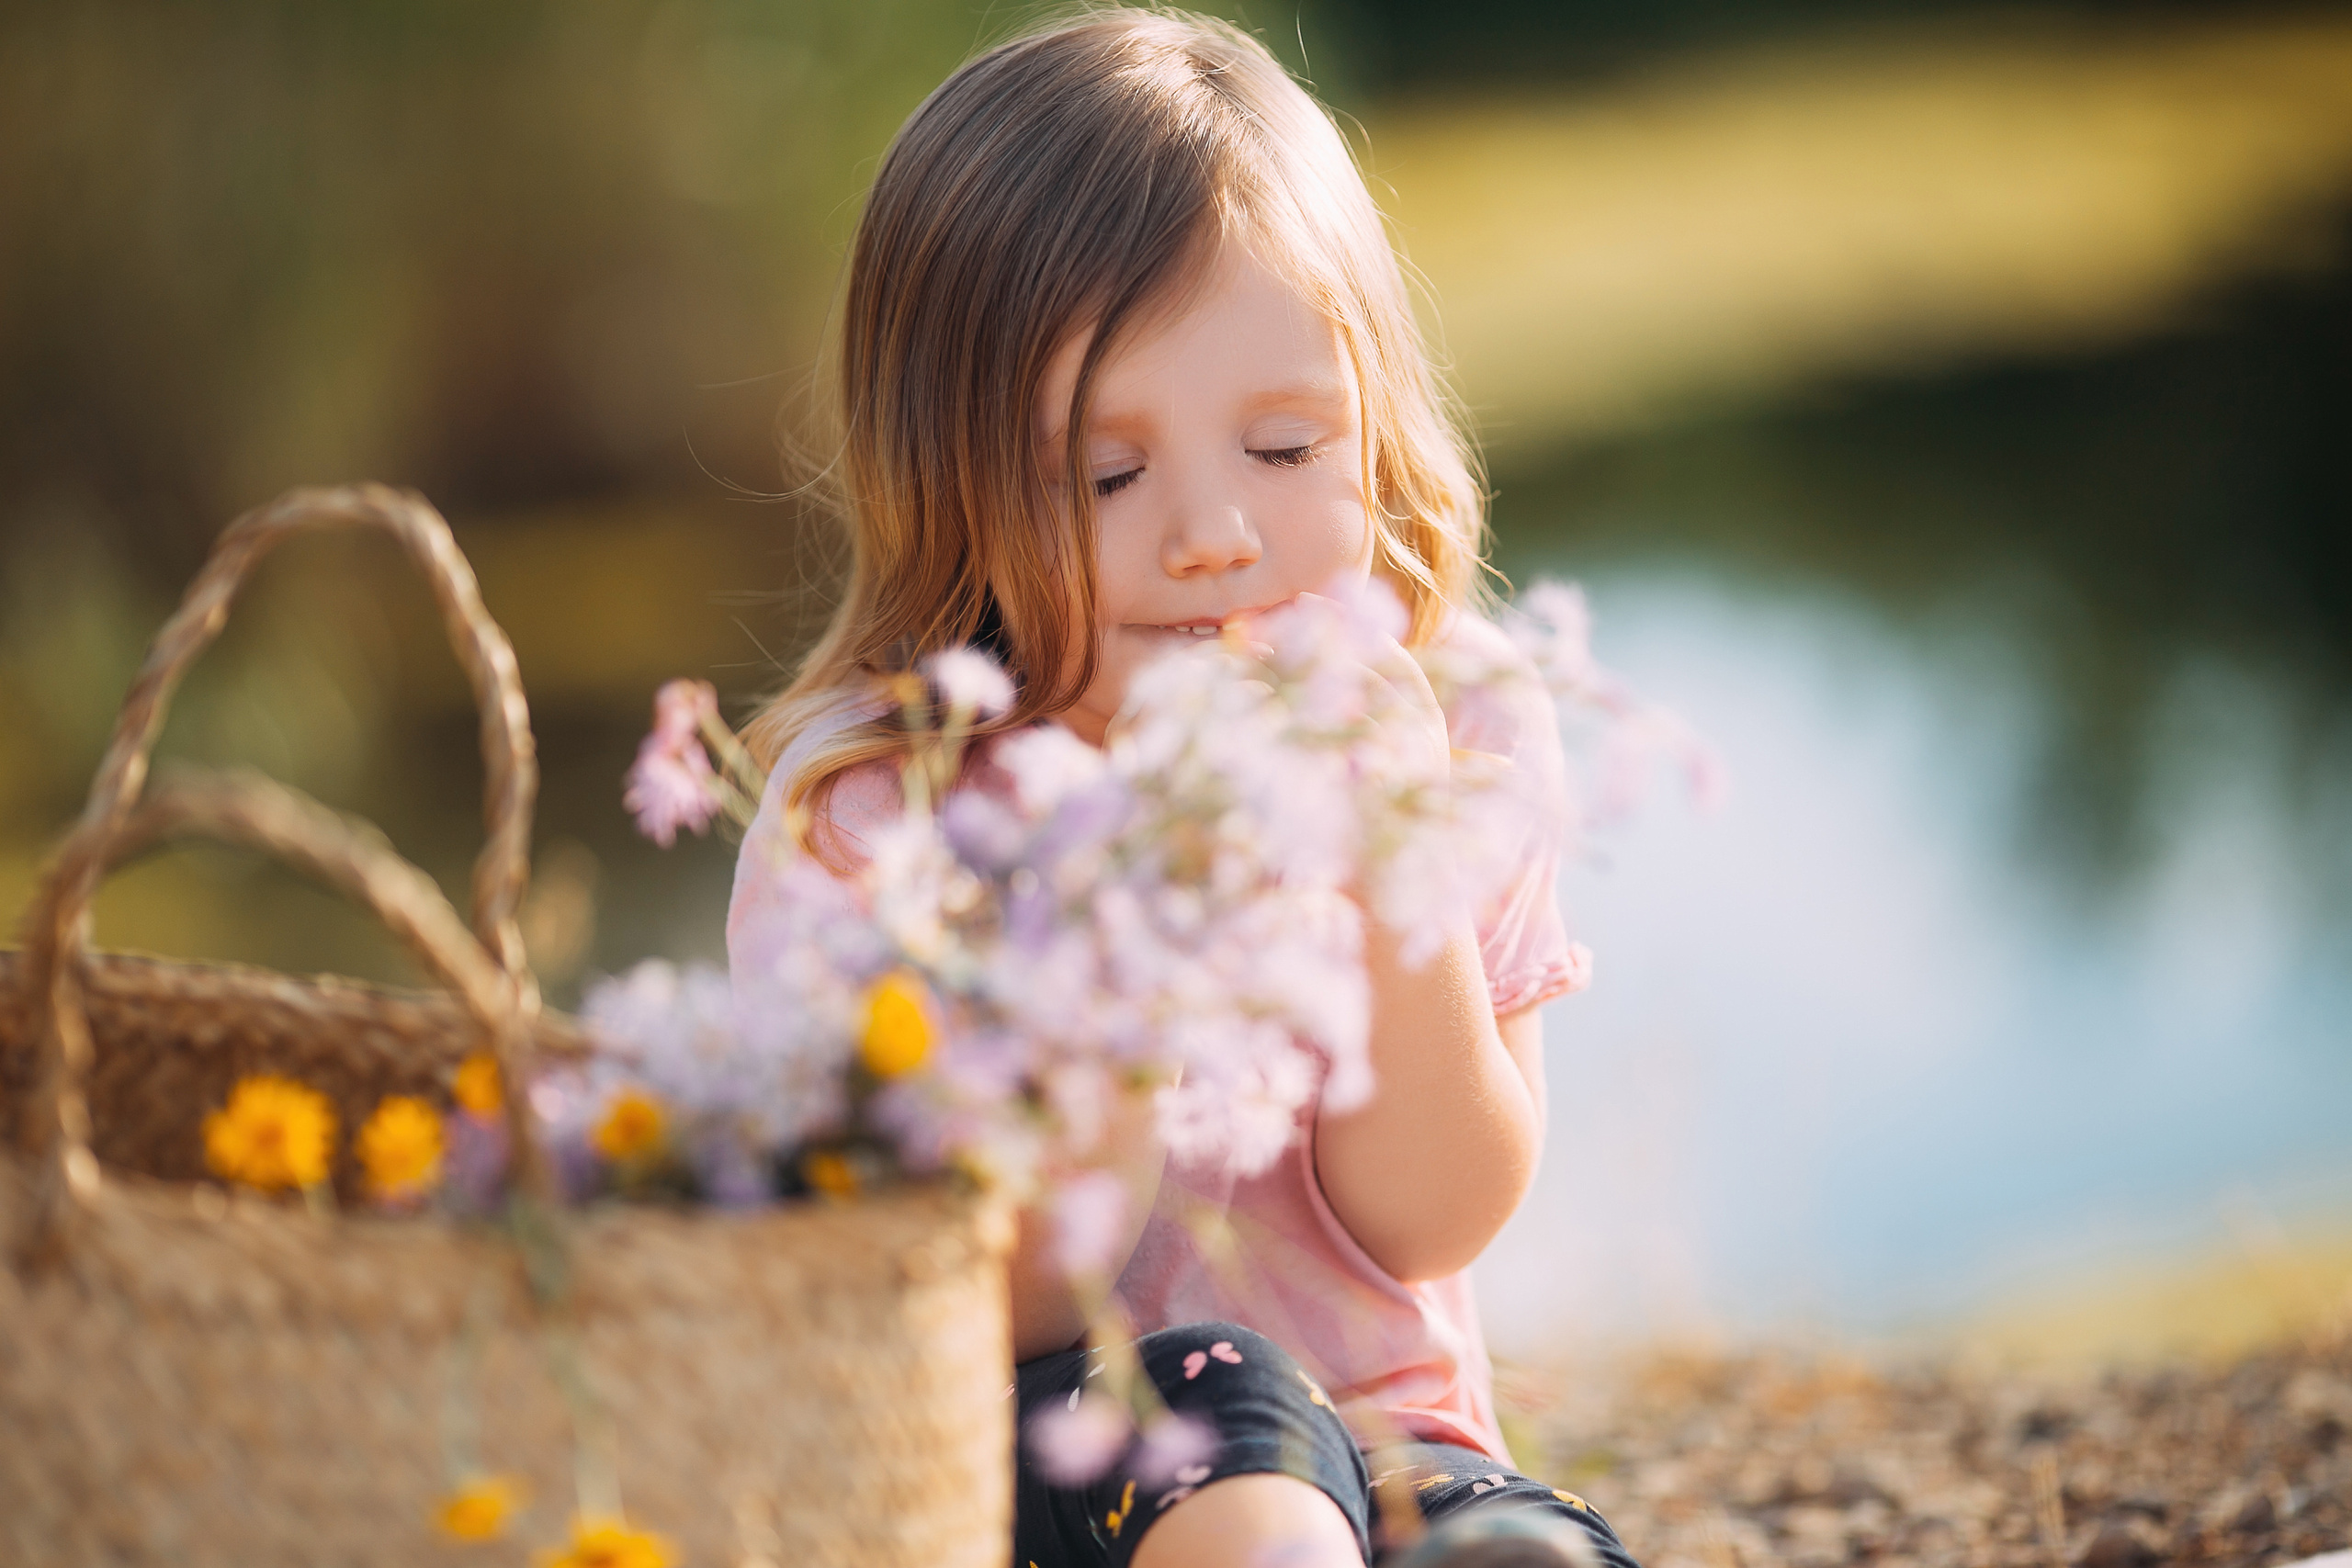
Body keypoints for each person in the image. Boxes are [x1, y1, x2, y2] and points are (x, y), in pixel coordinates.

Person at [728, 12, 1645, 1568]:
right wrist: (1128, 911)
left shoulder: (1456, 725)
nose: (1214, 534)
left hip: (1405, 1446)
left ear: (1372, 422)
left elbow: (1432, 1217)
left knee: (1528, 1559)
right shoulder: (879, 818)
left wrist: (1386, 872)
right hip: (1035, 1461)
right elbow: (997, 1293)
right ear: (953, 493)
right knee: (1254, 1482)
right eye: (1106, 476)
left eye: (1285, 448)